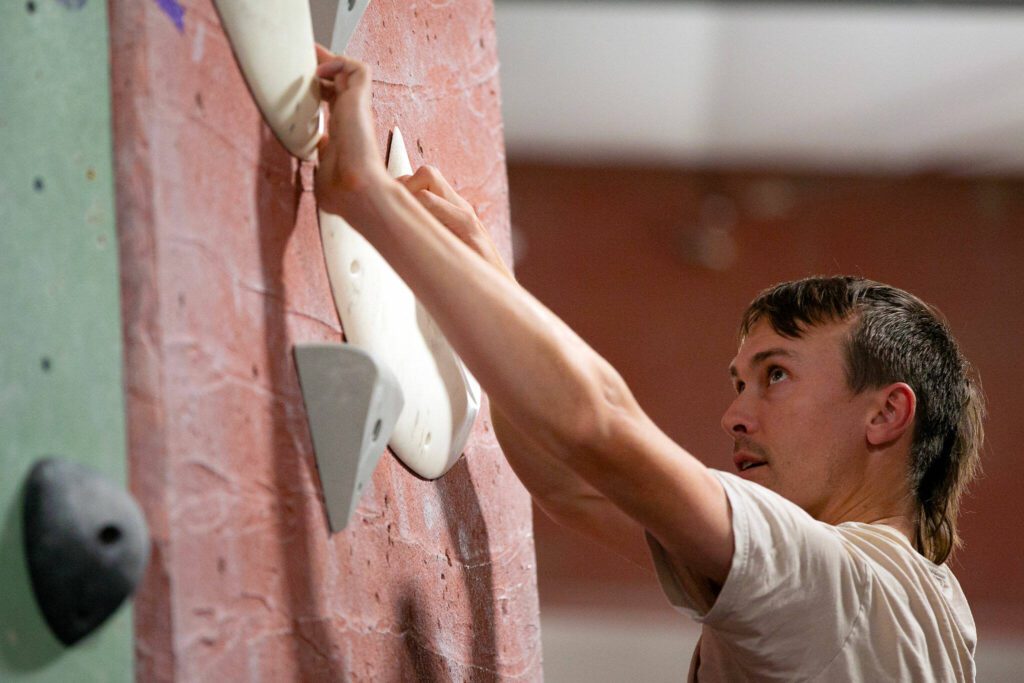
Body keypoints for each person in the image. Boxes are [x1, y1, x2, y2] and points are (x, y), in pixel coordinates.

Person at [312, 47, 984, 681]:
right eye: (740, 381)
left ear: (887, 412)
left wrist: (365, 191)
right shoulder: (928, 611)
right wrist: (481, 274)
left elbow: (598, 424)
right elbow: (573, 483)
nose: (735, 415)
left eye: (776, 374)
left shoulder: (841, 587)